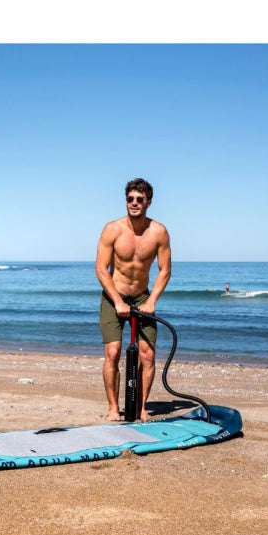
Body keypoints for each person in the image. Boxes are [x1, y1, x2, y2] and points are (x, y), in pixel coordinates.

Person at [95, 178, 172, 421]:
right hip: (113, 296)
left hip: (142, 298)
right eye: (130, 199)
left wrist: (151, 301)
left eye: (140, 199)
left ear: (148, 202)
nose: (134, 203)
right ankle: (112, 408)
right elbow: (100, 268)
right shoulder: (112, 229)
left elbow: (165, 270)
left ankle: (140, 407)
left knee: (148, 355)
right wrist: (117, 300)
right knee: (113, 352)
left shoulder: (159, 232)